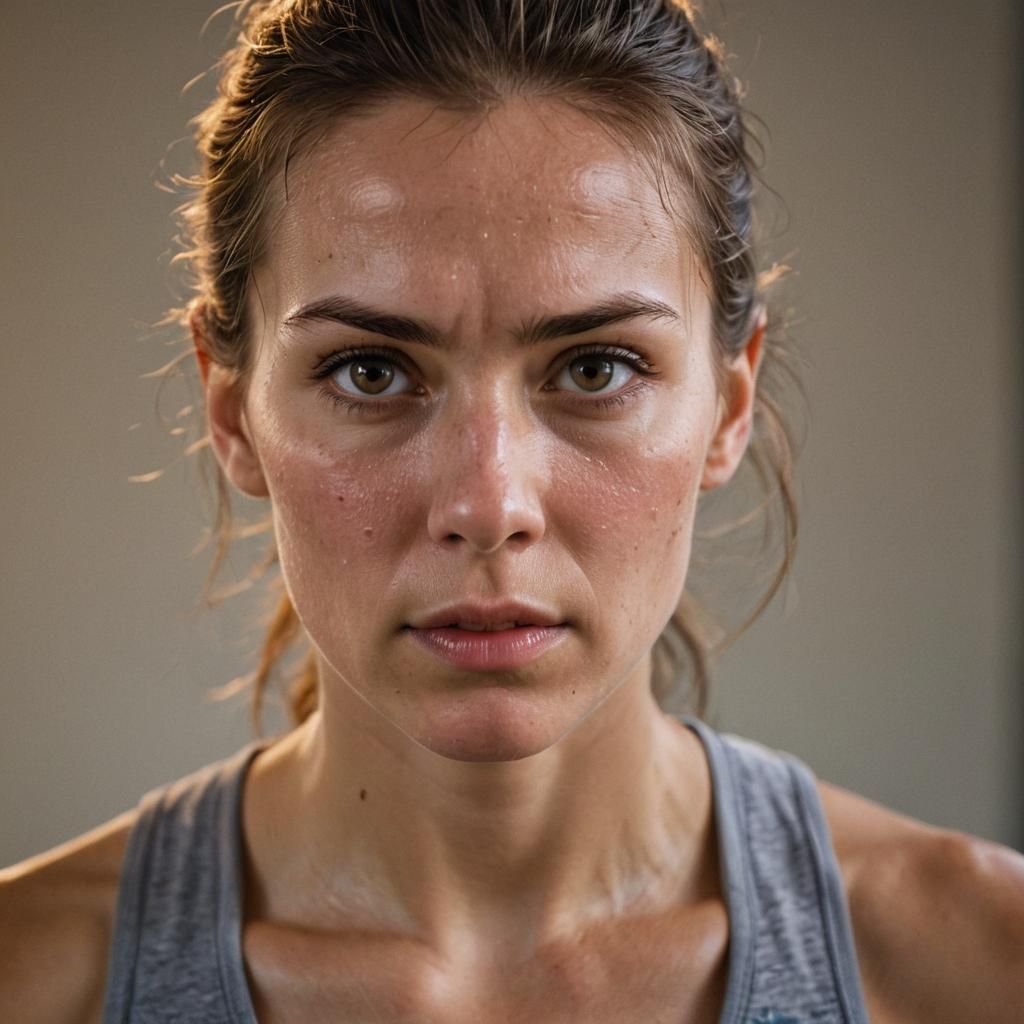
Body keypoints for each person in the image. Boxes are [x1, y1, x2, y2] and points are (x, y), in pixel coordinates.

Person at [2, 1, 1022, 1021]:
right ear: (231, 408)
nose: (488, 504)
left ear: (730, 401)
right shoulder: (32, 976)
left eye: (594, 366)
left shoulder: (982, 967)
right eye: (369, 370)